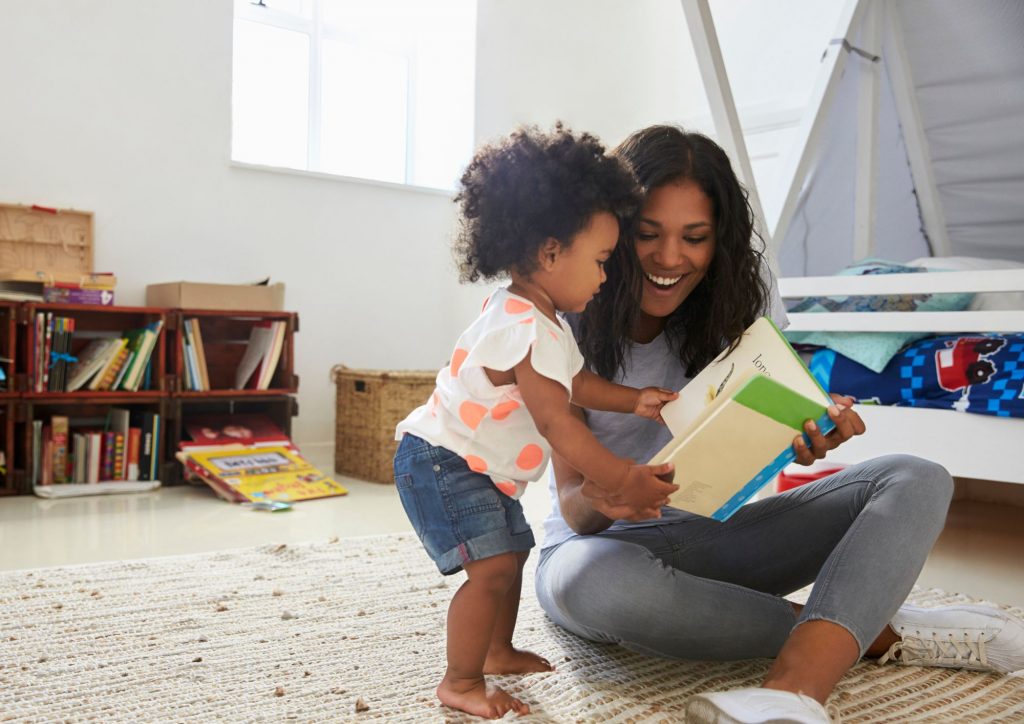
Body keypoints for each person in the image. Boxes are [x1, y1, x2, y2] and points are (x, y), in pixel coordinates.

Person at [535, 124, 1024, 723]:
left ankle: (793, 695)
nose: (669, 258)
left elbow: (748, 452)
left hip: (718, 537)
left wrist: (800, 440)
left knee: (916, 477)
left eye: (695, 238)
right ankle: (868, 632)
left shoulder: (733, 312)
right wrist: (612, 491)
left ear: (720, 243)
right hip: (601, 549)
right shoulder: (566, 324)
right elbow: (573, 510)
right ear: (611, 230)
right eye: (647, 235)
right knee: (591, 584)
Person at [393, 124, 680, 720]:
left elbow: (577, 386)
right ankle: (460, 680)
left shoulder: (541, 320)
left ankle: (496, 649)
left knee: (515, 551)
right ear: (551, 253)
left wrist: (635, 400)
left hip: (472, 463)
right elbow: (559, 424)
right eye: (601, 261)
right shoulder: (524, 327)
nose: (606, 278)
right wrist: (621, 477)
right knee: (491, 568)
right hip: (442, 460)